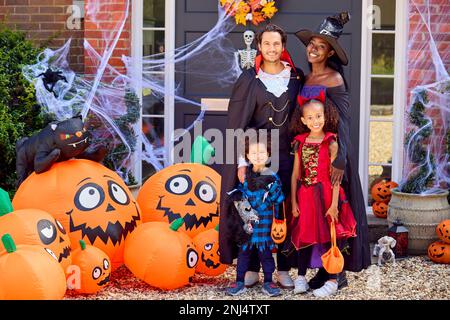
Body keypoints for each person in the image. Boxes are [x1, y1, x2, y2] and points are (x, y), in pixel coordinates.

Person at [219, 23, 304, 289]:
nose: (271, 48)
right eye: (266, 43)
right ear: (259, 46)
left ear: (283, 45)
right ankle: (254, 267)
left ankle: (285, 268)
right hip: (257, 157)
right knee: (255, 211)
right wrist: (242, 162)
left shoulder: (295, 77)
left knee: (286, 210)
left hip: (288, 156)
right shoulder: (249, 78)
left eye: (276, 43)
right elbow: (238, 123)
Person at [293, 12, 371, 289]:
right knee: (315, 215)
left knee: (333, 214)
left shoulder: (334, 78)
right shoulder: (304, 78)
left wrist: (341, 158)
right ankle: (324, 271)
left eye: (320, 46)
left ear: (329, 53)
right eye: (311, 43)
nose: (313, 49)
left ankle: (339, 274)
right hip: (311, 155)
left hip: (332, 156)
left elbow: (345, 123)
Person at [290, 95, 357, 297]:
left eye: (318, 116)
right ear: (303, 121)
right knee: (304, 235)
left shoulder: (331, 142)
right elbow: (295, 174)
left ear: (325, 116)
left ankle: (332, 280)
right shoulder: (300, 142)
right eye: (310, 118)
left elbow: (335, 177)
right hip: (306, 196)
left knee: (330, 236)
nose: (315, 121)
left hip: (327, 194)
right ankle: (300, 278)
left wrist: (335, 204)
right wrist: (293, 201)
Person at [226, 132, 284, 297]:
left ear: (268, 154)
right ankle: (239, 282)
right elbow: (242, 196)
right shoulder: (246, 176)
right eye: (254, 153)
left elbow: (278, 199)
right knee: (243, 254)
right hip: (248, 224)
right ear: (248, 157)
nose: (258, 156)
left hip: (264, 224)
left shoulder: (272, 176)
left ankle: (268, 282)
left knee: (266, 255)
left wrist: (271, 193)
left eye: (261, 153)